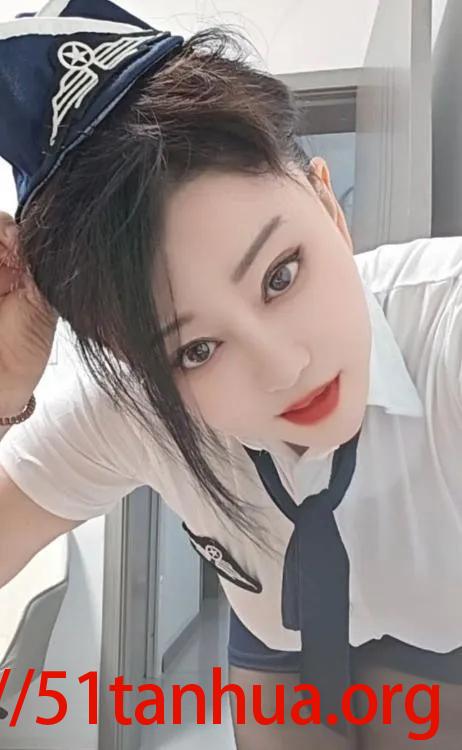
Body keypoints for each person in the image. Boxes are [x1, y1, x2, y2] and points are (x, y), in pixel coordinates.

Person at [1, 1, 462, 748]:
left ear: (328, 205)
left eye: (282, 275)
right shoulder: (132, 407)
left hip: (439, 626)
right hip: (277, 627)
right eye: (196, 350)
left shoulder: (445, 329)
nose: (285, 368)